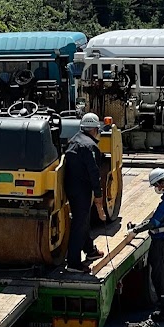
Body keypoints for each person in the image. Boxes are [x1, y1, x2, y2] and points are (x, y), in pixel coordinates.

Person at [129, 168, 164, 324]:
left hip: (161, 241)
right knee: (161, 273)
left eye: (156, 186)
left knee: (158, 275)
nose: (155, 189)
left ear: (162, 183)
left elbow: (154, 222)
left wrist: (135, 230)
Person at [64, 112, 104, 272]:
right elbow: (94, 174)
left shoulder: (73, 141)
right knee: (79, 224)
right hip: (82, 191)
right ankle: (73, 263)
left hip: (71, 188)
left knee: (83, 219)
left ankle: (90, 250)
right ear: (95, 129)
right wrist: (99, 196)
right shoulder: (90, 147)